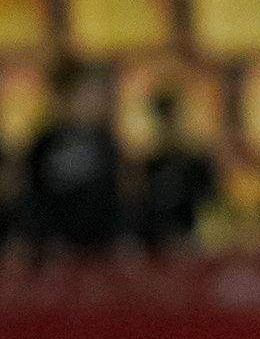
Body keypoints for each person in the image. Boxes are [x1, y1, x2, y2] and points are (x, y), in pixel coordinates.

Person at [19, 62, 123, 260]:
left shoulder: (106, 142)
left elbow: (115, 195)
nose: (94, 102)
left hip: (99, 248)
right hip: (55, 248)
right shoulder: (45, 142)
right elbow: (33, 195)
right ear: (69, 97)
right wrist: (41, 238)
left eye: (97, 96)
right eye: (87, 95)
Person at [131, 87, 216, 253]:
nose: (168, 124)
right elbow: (140, 206)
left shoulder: (194, 160)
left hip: (188, 240)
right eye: (163, 117)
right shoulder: (149, 163)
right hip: (155, 243)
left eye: (171, 116)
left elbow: (208, 200)